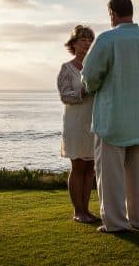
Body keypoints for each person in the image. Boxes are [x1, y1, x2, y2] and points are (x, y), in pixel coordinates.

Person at [82, 0, 139, 233]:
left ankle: (115, 223)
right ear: (132, 12)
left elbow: (89, 76)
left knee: (111, 177)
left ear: (112, 13)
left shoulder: (107, 39)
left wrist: (90, 87)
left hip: (112, 118)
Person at [57, 25, 100, 224]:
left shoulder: (96, 66)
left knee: (90, 166)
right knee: (78, 165)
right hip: (75, 122)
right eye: (83, 39)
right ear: (73, 43)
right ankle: (78, 211)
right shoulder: (67, 68)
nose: (87, 43)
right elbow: (65, 96)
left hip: (94, 121)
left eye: (90, 40)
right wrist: (83, 91)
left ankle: (87, 210)